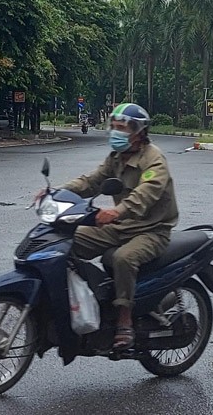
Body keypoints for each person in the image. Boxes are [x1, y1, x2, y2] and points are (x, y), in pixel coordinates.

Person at [54, 103, 178, 349]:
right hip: (122, 226)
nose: (115, 132)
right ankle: (86, 301)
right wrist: (57, 192)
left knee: (123, 258)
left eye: (121, 128)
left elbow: (147, 192)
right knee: (68, 240)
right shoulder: (116, 158)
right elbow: (93, 181)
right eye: (114, 127)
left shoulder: (154, 160)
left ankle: (124, 319)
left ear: (138, 132)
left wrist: (116, 210)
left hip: (152, 229)